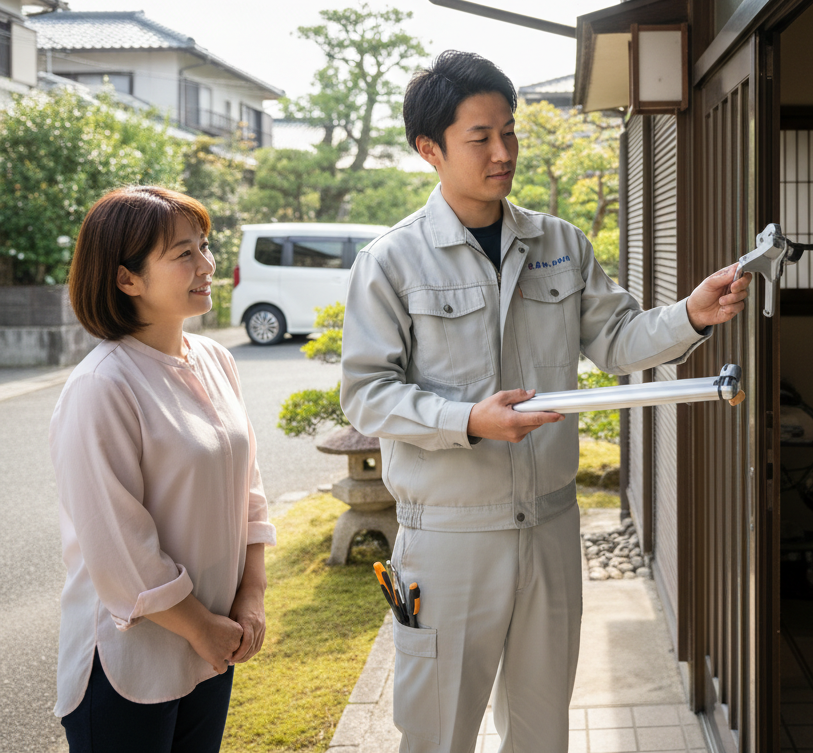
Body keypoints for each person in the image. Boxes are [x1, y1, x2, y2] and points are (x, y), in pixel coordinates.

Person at [340, 51, 751, 752]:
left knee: (542, 732)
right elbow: (367, 396)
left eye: (510, 132)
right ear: (429, 149)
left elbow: (617, 338)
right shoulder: (391, 262)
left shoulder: (557, 242)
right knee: (437, 733)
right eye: (481, 138)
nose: (503, 153)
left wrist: (691, 314)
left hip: (552, 529)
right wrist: (470, 420)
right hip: (449, 537)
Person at [50, 185, 276, 753]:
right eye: (183, 254)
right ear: (127, 279)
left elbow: (246, 490)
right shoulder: (103, 385)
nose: (207, 265)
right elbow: (118, 547)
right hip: (130, 662)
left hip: (213, 646)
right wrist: (201, 627)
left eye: (205, 245)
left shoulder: (214, 359)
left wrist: (251, 596)